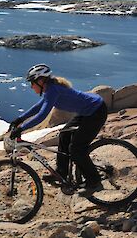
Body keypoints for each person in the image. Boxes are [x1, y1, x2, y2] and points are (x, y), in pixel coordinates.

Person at [9, 64, 107, 197]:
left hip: (96, 111)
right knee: (64, 134)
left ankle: (94, 182)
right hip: (87, 111)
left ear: (41, 81)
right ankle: (62, 172)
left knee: (77, 149)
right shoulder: (50, 89)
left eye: (32, 83)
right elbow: (39, 107)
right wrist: (20, 119)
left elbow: (42, 115)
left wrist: (22, 128)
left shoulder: (53, 90)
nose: (31, 86)